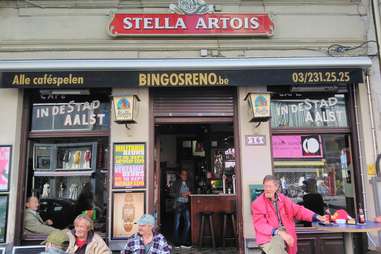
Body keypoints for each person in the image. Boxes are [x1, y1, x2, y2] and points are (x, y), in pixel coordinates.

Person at [251, 175, 328, 254]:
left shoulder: (283, 199)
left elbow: (299, 210)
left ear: (276, 187)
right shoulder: (257, 203)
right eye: (265, 186)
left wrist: (316, 216)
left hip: (287, 234)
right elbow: (260, 224)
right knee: (277, 243)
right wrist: (279, 232)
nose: (267, 189)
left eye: (269, 186)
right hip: (269, 237)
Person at [171, 169, 193, 248]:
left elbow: (193, 191)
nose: (185, 176)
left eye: (186, 174)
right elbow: (171, 193)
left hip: (186, 204)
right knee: (177, 224)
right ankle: (176, 242)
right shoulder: (176, 183)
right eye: (183, 174)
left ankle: (184, 242)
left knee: (188, 223)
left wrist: (190, 193)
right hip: (178, 205)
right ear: (180, 175)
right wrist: (181, 194)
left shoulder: (189, 183)